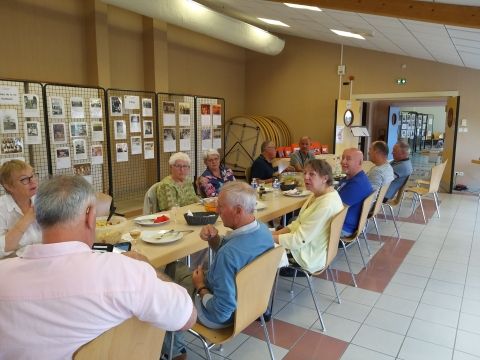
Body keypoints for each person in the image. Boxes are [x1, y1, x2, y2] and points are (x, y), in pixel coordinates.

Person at [0, 175, 196, 359]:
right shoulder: (124, 271)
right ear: (90, 215)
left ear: (39, 218)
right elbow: (187, 318)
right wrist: (149, 269)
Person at [162, 181, 274, 359]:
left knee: (163, 288)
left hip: (218, 315)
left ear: (238, 210)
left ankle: (174, 351)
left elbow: (221, 312)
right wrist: (214, 240)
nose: (217, 212)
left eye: (221, 207)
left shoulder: (228, 255)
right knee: (172, 267)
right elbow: (237, 256)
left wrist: (200, 287)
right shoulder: (263, 231)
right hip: (250, 305)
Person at [272, 159, 343, 273]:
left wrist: (268, 238)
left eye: (312, 174)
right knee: (266, 234)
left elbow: (297, 241)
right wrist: (275, 234)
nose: (306, 177)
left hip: (306, 257)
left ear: (325, 178)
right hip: (311, 248)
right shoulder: (320, 194)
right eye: (305, 173)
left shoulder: (326, 204)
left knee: (254, 250)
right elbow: (298, 223)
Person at [0, 160, 42, 258]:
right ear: (9, 186)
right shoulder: (2, 208)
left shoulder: (41, 199)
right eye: (24, 179)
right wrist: (29, 217)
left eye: (33, 175)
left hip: (44, 261)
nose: (32, 181)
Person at [337, 148, 374, 236]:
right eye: (342, 158)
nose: (343, 162)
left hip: (341, 227)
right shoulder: (353, 177)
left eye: (348, 159)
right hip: (344, 222)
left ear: (360, 162)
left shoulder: (357, 184)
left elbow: (334, 208)